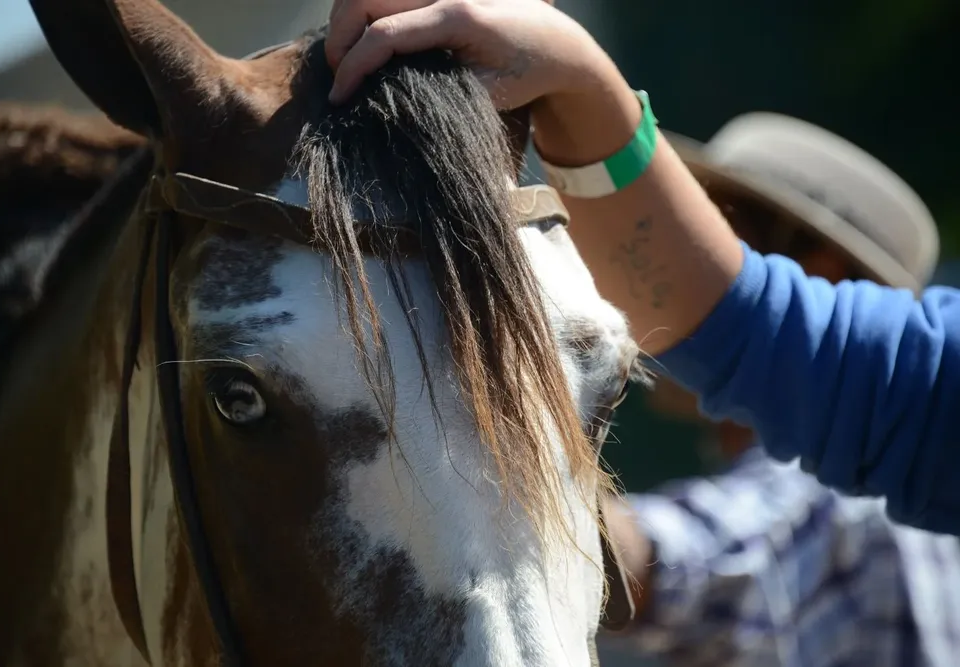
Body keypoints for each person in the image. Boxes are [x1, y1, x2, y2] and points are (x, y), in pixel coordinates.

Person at [323, 0, 960, 536]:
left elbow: (684, 561)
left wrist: (445, 460)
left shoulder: (834, 511)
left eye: (714, 220)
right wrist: (575, 75)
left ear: (823, 276)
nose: (615, 243)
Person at [593, 118, 960, 667]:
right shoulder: (904, 488)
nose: (648, 279)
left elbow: (679, 562)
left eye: (704, 244)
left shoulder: (841, 497)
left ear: (820, 280)